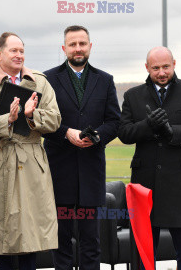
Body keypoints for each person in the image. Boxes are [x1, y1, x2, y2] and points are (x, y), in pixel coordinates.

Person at [0, 32, 61, 270]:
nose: (19, 55)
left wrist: (31, 115)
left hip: (31, 162)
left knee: (29, 235)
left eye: (22, 50)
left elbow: (55, 120)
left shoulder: (40, 82)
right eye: (13, 50)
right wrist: (7, 119)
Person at [43, 25, 120, 270]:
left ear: (89, 47)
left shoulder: (105, 80)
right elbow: (40, 121)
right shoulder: (47, 79)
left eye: (82, 44)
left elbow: (114, 121)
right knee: (61, 241)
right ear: (64, 48)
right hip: (59, 170)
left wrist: (96, 136)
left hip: (91, 171)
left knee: (91, 242)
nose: (78, 48)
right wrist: (66, 133)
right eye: (73, 44)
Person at [118, 46, 181, 270]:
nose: (162, 72)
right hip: (144, 184)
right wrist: (148, 126)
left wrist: (171, 131)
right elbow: (124, 133)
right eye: (155, 68)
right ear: (146, 68)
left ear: (174, 64)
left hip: (180, 184)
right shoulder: (132, 96)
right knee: (143, 253)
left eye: (166, 66)